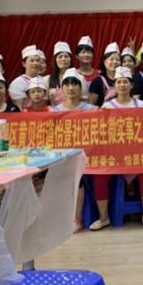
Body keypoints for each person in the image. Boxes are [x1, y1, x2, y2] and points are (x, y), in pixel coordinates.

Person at [91, 66, 143, 230]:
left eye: (125, 82)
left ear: (131, 85)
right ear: (114, 85)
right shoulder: (107, 106)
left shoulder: (140, 104)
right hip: (113, 154)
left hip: (136, 153)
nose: (122, 85)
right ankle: (103, 217)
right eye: (119, 82)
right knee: (99, 176)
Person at [50, 68, 97, 233]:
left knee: (78, 175)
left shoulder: (92, 110)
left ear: (81, 87)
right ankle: (58, 217)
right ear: (62, 89)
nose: (71, 88)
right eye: (67, 84)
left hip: (86, 156)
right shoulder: (53, 112)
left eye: (74, 84)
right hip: (61, 157)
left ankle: (76, 218)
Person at [8, 45, 42, 110]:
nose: (35, 63)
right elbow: (18, 107)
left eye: (37, 61)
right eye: (32, 61)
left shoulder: (44, 79)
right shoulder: (17, 83)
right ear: (24, 64)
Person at [88, 42, 121, 107]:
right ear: (104, 62)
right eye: (111, 59)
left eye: (117, 60)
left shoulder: (124, 80)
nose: (115, 62)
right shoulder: (97, 81)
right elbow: (91, 105)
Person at [45, 41, 73, 107]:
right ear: (55, 60)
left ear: (70, 59)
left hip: (74, 112)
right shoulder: (47, 79)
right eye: (60, 57)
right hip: (54, 112)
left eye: (66, 56)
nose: (63, 59)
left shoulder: (80, 77)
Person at [75, 36, 100, 101]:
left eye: (89, 52)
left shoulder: (100, 74)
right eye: (83, 52)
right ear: (77, 56)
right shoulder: (73, 74)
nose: (86, 55)